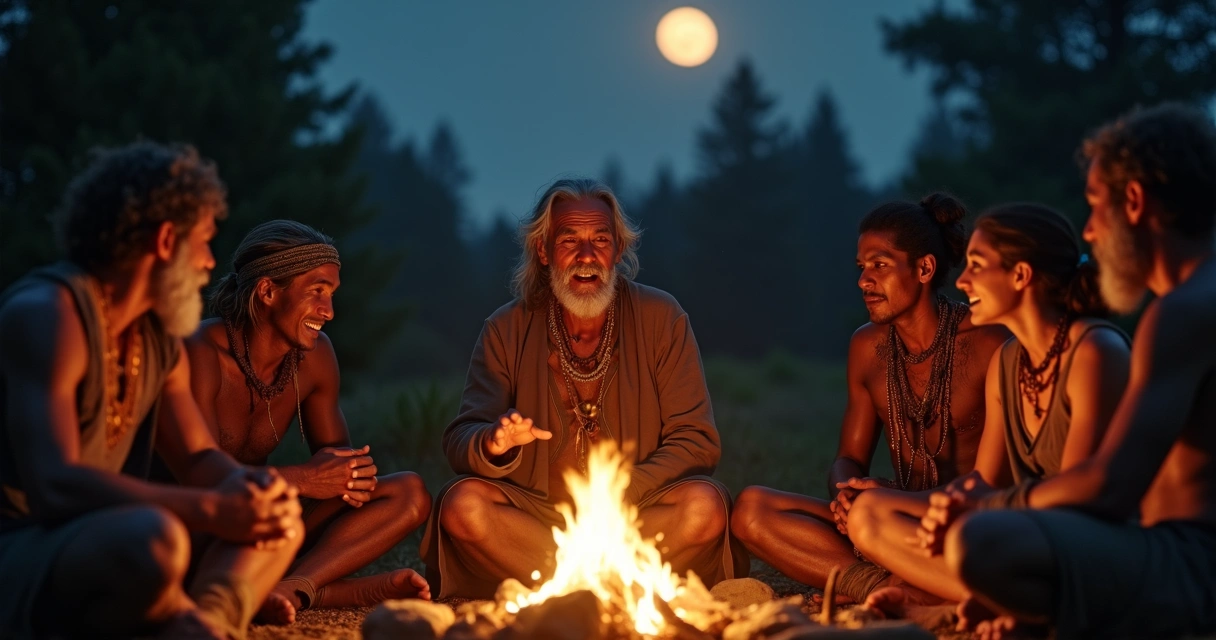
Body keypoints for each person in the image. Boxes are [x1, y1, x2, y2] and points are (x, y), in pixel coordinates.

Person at [922, 103, 1216, 639]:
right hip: (1167, 550)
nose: (1091, 232)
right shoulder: (1190, 303)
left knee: (981, 540)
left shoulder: (1179, 314)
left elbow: (1108, 489)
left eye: (1096, 207)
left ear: (1134, 201)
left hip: (1190, 565)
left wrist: (990, 503)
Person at [0, 141, 303, 639]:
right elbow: (54, 484)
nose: (210, 262)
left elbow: (199, 458)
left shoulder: (158, 337)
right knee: (153, 539)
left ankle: (204, 623)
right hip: (25, 546)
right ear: (166, 241)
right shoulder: (50, 315)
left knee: (282, 516)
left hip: (103, 542)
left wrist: (247, 492)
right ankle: (182, 617)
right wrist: (213, 510)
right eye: (205, 241)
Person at [420, 177, 747, 598]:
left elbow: (697, 440)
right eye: (569, 240)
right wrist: (494, 442)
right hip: (537, 525)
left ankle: (570, 592)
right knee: (463, 507)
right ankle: (607, 589)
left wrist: (624, 488)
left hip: (636, 515)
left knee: (704, 508)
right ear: (543, 250)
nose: (586, 256)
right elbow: (461, 438)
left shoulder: (662, 317)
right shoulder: (506, 327)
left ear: (619, 250)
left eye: (601, 240)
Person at [845, 203, 1130, 619]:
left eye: (976, 266)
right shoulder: (1008, 361)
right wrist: (906, 501)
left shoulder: (1095, 351)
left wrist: (979, 511)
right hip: (1022, 530)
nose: (961, 280)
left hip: (1084, 543)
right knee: (869, 515)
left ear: (1020, 275)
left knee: (969, 538)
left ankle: (990, 604)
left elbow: (1080, 496)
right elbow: (984, 482)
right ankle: (983, 600)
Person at [731, 193, 1009, 603]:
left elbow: (993, 485)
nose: (864, 280)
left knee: (875, 518)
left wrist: (887, 501)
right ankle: (894, 589)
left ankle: (906, 585)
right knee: (750, 510)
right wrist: (848, 492)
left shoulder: (989, 341)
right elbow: (849, 457)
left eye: (879, 265)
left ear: (925, 268)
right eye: (861, 268)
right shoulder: (867, 347)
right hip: (882, 517)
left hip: (966, 525)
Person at [189, 220, 432, 624]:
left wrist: (350, 473)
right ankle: (329, 591)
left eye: (332, 294)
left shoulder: (315, 357)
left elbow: (339, 469)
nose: (329, 311)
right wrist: (303, 479)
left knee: (409, 492)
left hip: (262, 526)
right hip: (193, 525)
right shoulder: (199, 353)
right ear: (268, 291)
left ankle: (297, 587)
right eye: (317, 291)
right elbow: (198, 480)